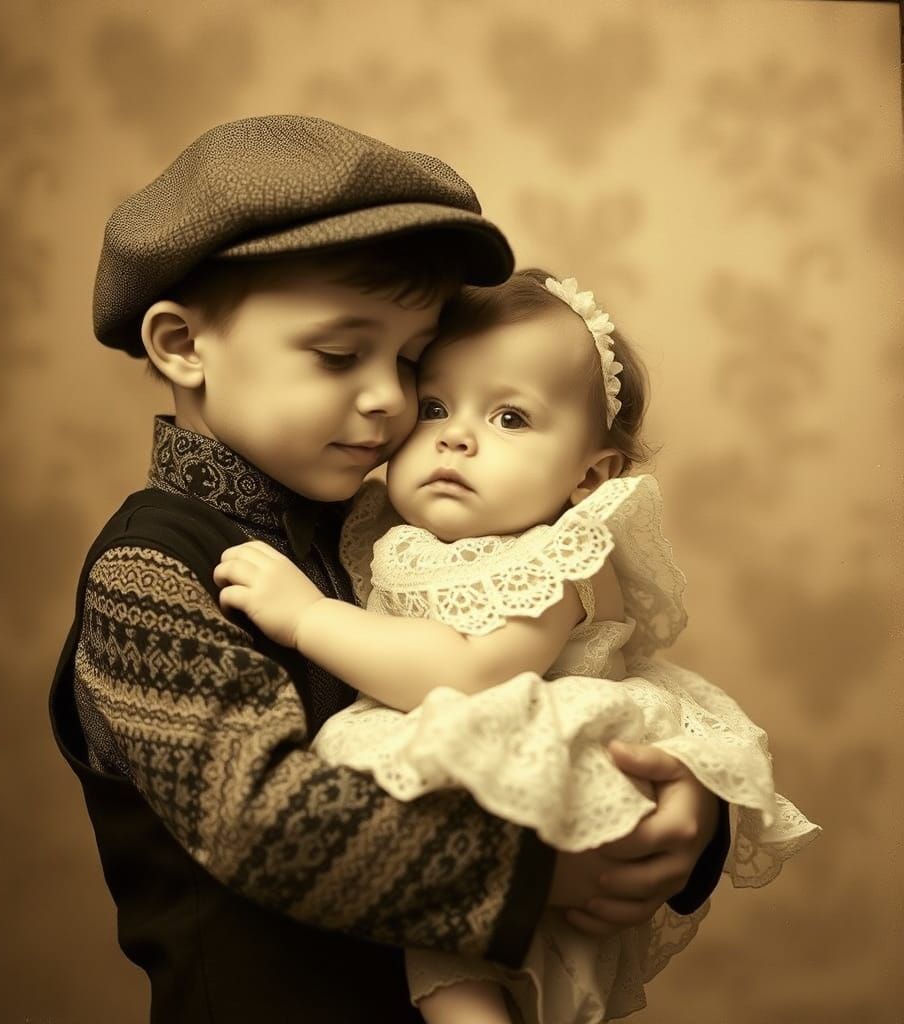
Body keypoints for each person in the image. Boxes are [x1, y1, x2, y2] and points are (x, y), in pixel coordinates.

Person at [49, 115, 729, 1024]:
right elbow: (264, 821)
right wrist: (549, 868)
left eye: (410, 360)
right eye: (339, 354)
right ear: (181, 346)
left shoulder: (391, 528)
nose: (389, 399)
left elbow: (560, 696)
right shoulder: (148, 573)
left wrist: (677, 810)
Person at [213, 269, 820, 1023]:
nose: (455, 435)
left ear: (587, 477)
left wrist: (308, 620)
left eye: (510, 418)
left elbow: (473, 674)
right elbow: (251, 821)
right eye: (434, 406)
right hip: (441, 866)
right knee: (447, 970)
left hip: (526, 777)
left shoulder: (548, 565)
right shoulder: (369, 530)